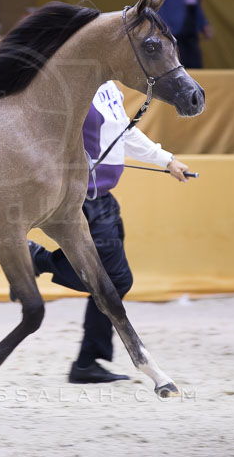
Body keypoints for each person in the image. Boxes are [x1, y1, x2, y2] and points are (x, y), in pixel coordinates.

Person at [22, 81, 192, 383]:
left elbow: (124, 132)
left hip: (104, 198)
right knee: (114, 279)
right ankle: (40, 261)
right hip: (82, 200)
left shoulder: (110, 87)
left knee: (114, 281)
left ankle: (87, 362)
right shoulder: (74, 86)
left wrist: (167, 161)